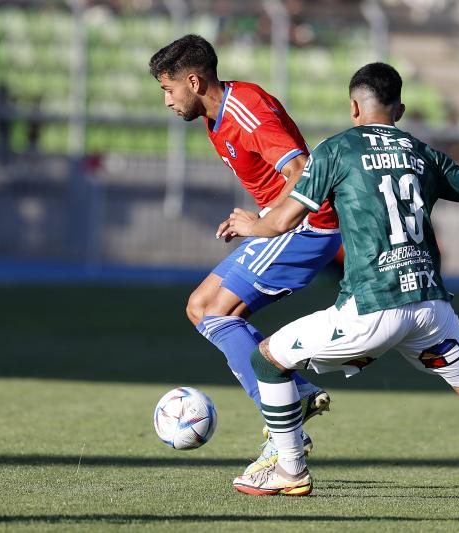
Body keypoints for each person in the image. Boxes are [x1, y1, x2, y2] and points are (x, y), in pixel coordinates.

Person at [226, 62, 459, 506]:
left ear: (354, 106)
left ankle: (289, 469)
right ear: (399, 108)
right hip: (430, 307)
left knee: (266, 360)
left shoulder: (336, 150)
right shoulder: (423, 154)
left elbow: (284, 219)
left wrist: (250, 224)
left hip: (373, 307)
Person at [148, 35, 341, 471]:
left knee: (215, 311)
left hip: (307, 226)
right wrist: (262, 215)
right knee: (201, 307)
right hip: (290, 223)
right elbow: (279, 180)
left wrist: (264, 225)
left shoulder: (244, 109)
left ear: (194, 82)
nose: (166, 100)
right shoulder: (216, 116)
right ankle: (296, 395)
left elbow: (303, 172)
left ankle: (283, 425)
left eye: (168, 89)